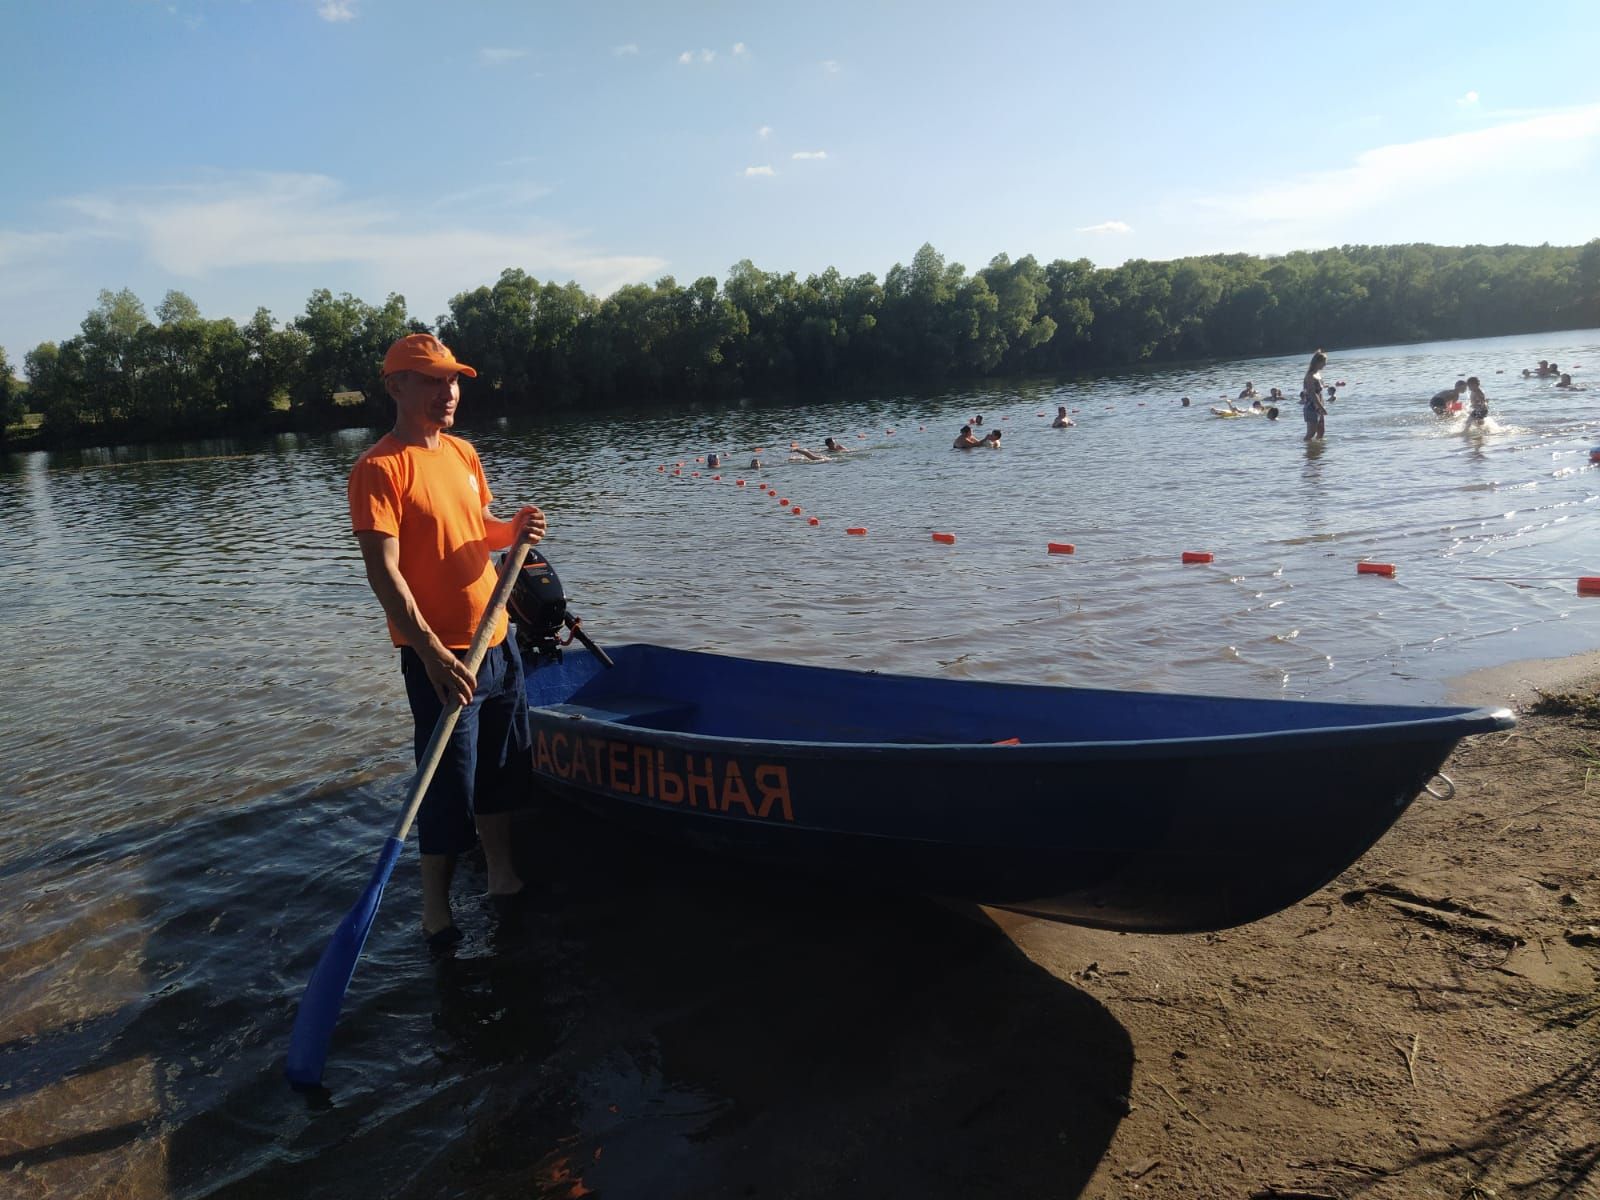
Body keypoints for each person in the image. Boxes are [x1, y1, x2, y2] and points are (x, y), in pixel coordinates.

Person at [347, 333, 547, 951]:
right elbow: (385, 572)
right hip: (442, 660)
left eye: (452, 381)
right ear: (395, 387)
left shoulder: (462, 452)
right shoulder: (379, 469)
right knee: (445, 791)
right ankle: (435, 911)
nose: (447, 392)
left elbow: (478, 529)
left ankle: (502, 876)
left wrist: (512, 528)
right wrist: (432, 652)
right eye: (431, 381)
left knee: (500, 774)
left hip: (498, 643)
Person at [1300, 349, 1327, 441]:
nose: (1325, 364)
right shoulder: (1310, 376)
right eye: (1324, 362)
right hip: (1311, 407)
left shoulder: (1318, 374)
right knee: (1311, 433)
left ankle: (1318, 452)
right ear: (1317, 362)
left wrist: (1321, 406)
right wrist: (1321, 407)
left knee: (1321, 431)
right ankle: (1307, 451)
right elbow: (1312, 393)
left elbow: (1319, 392)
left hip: (1318, 406)